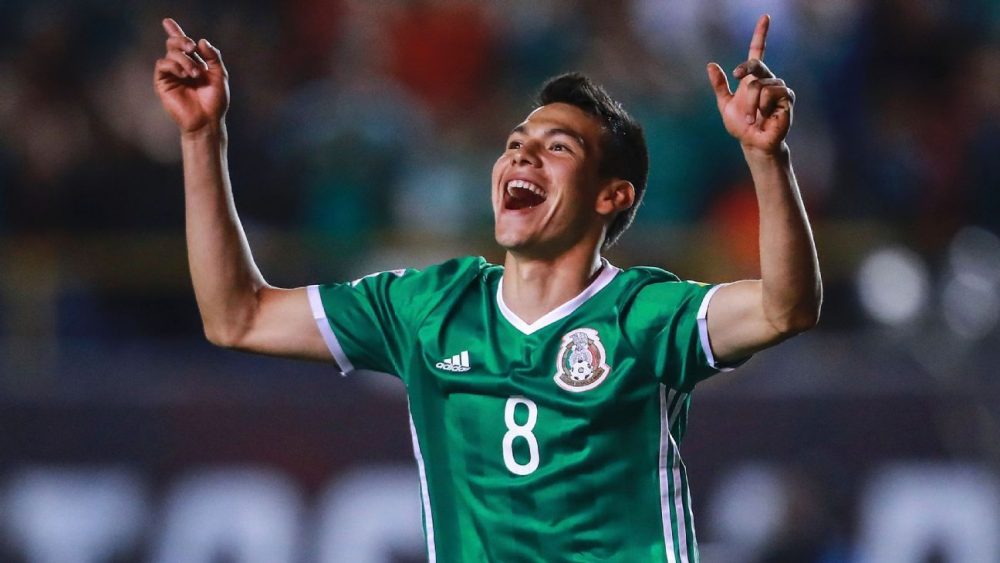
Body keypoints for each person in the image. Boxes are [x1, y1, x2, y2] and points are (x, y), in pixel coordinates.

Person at [154, 13, 821, 563]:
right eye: (514, 143)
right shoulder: (428, 307)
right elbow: (237, 316)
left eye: (558, 147)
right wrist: (202, 136)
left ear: (611, 196)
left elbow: (785, 307)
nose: (521, 155)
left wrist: (767, 158)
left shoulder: (643, 315)